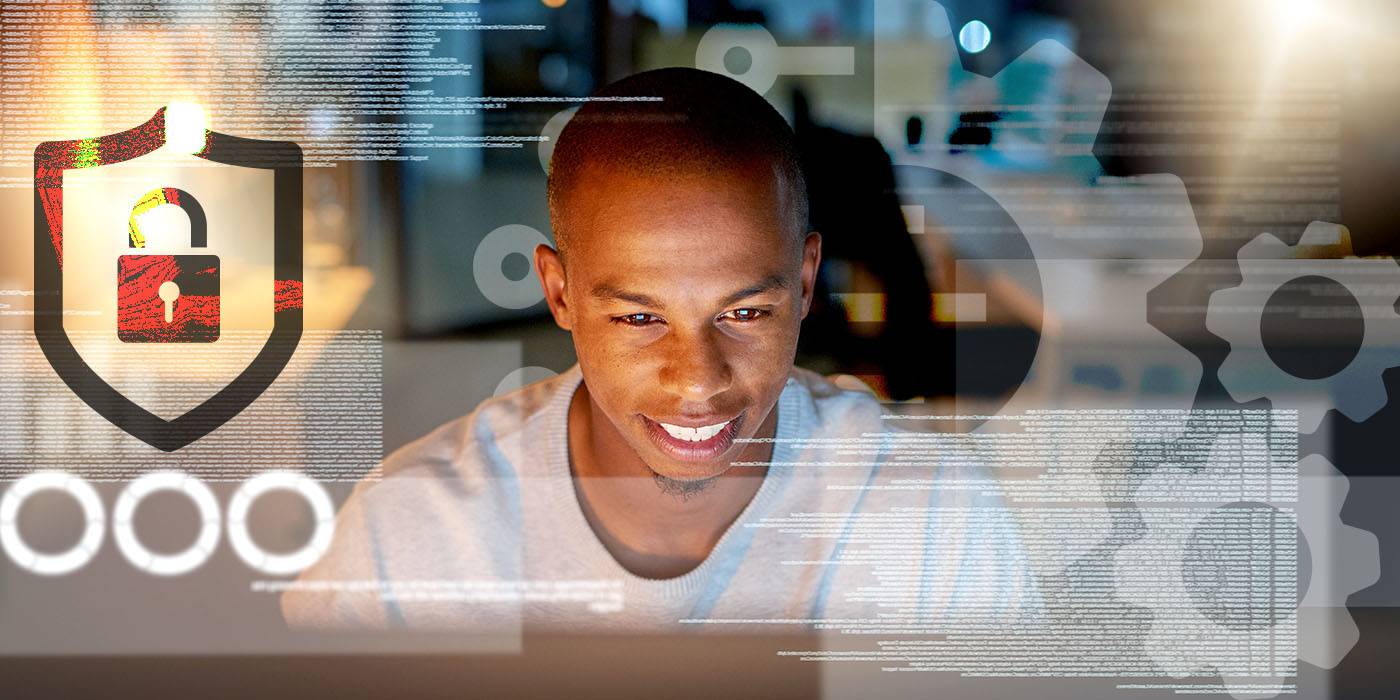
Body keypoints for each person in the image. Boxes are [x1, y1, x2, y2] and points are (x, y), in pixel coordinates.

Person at [282, 67, 1038, 632]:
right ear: (560, 294)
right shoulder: (407, 537)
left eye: (744, 312)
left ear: (806, 283)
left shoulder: (936, 521)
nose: (698, 383)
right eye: (640, 319)